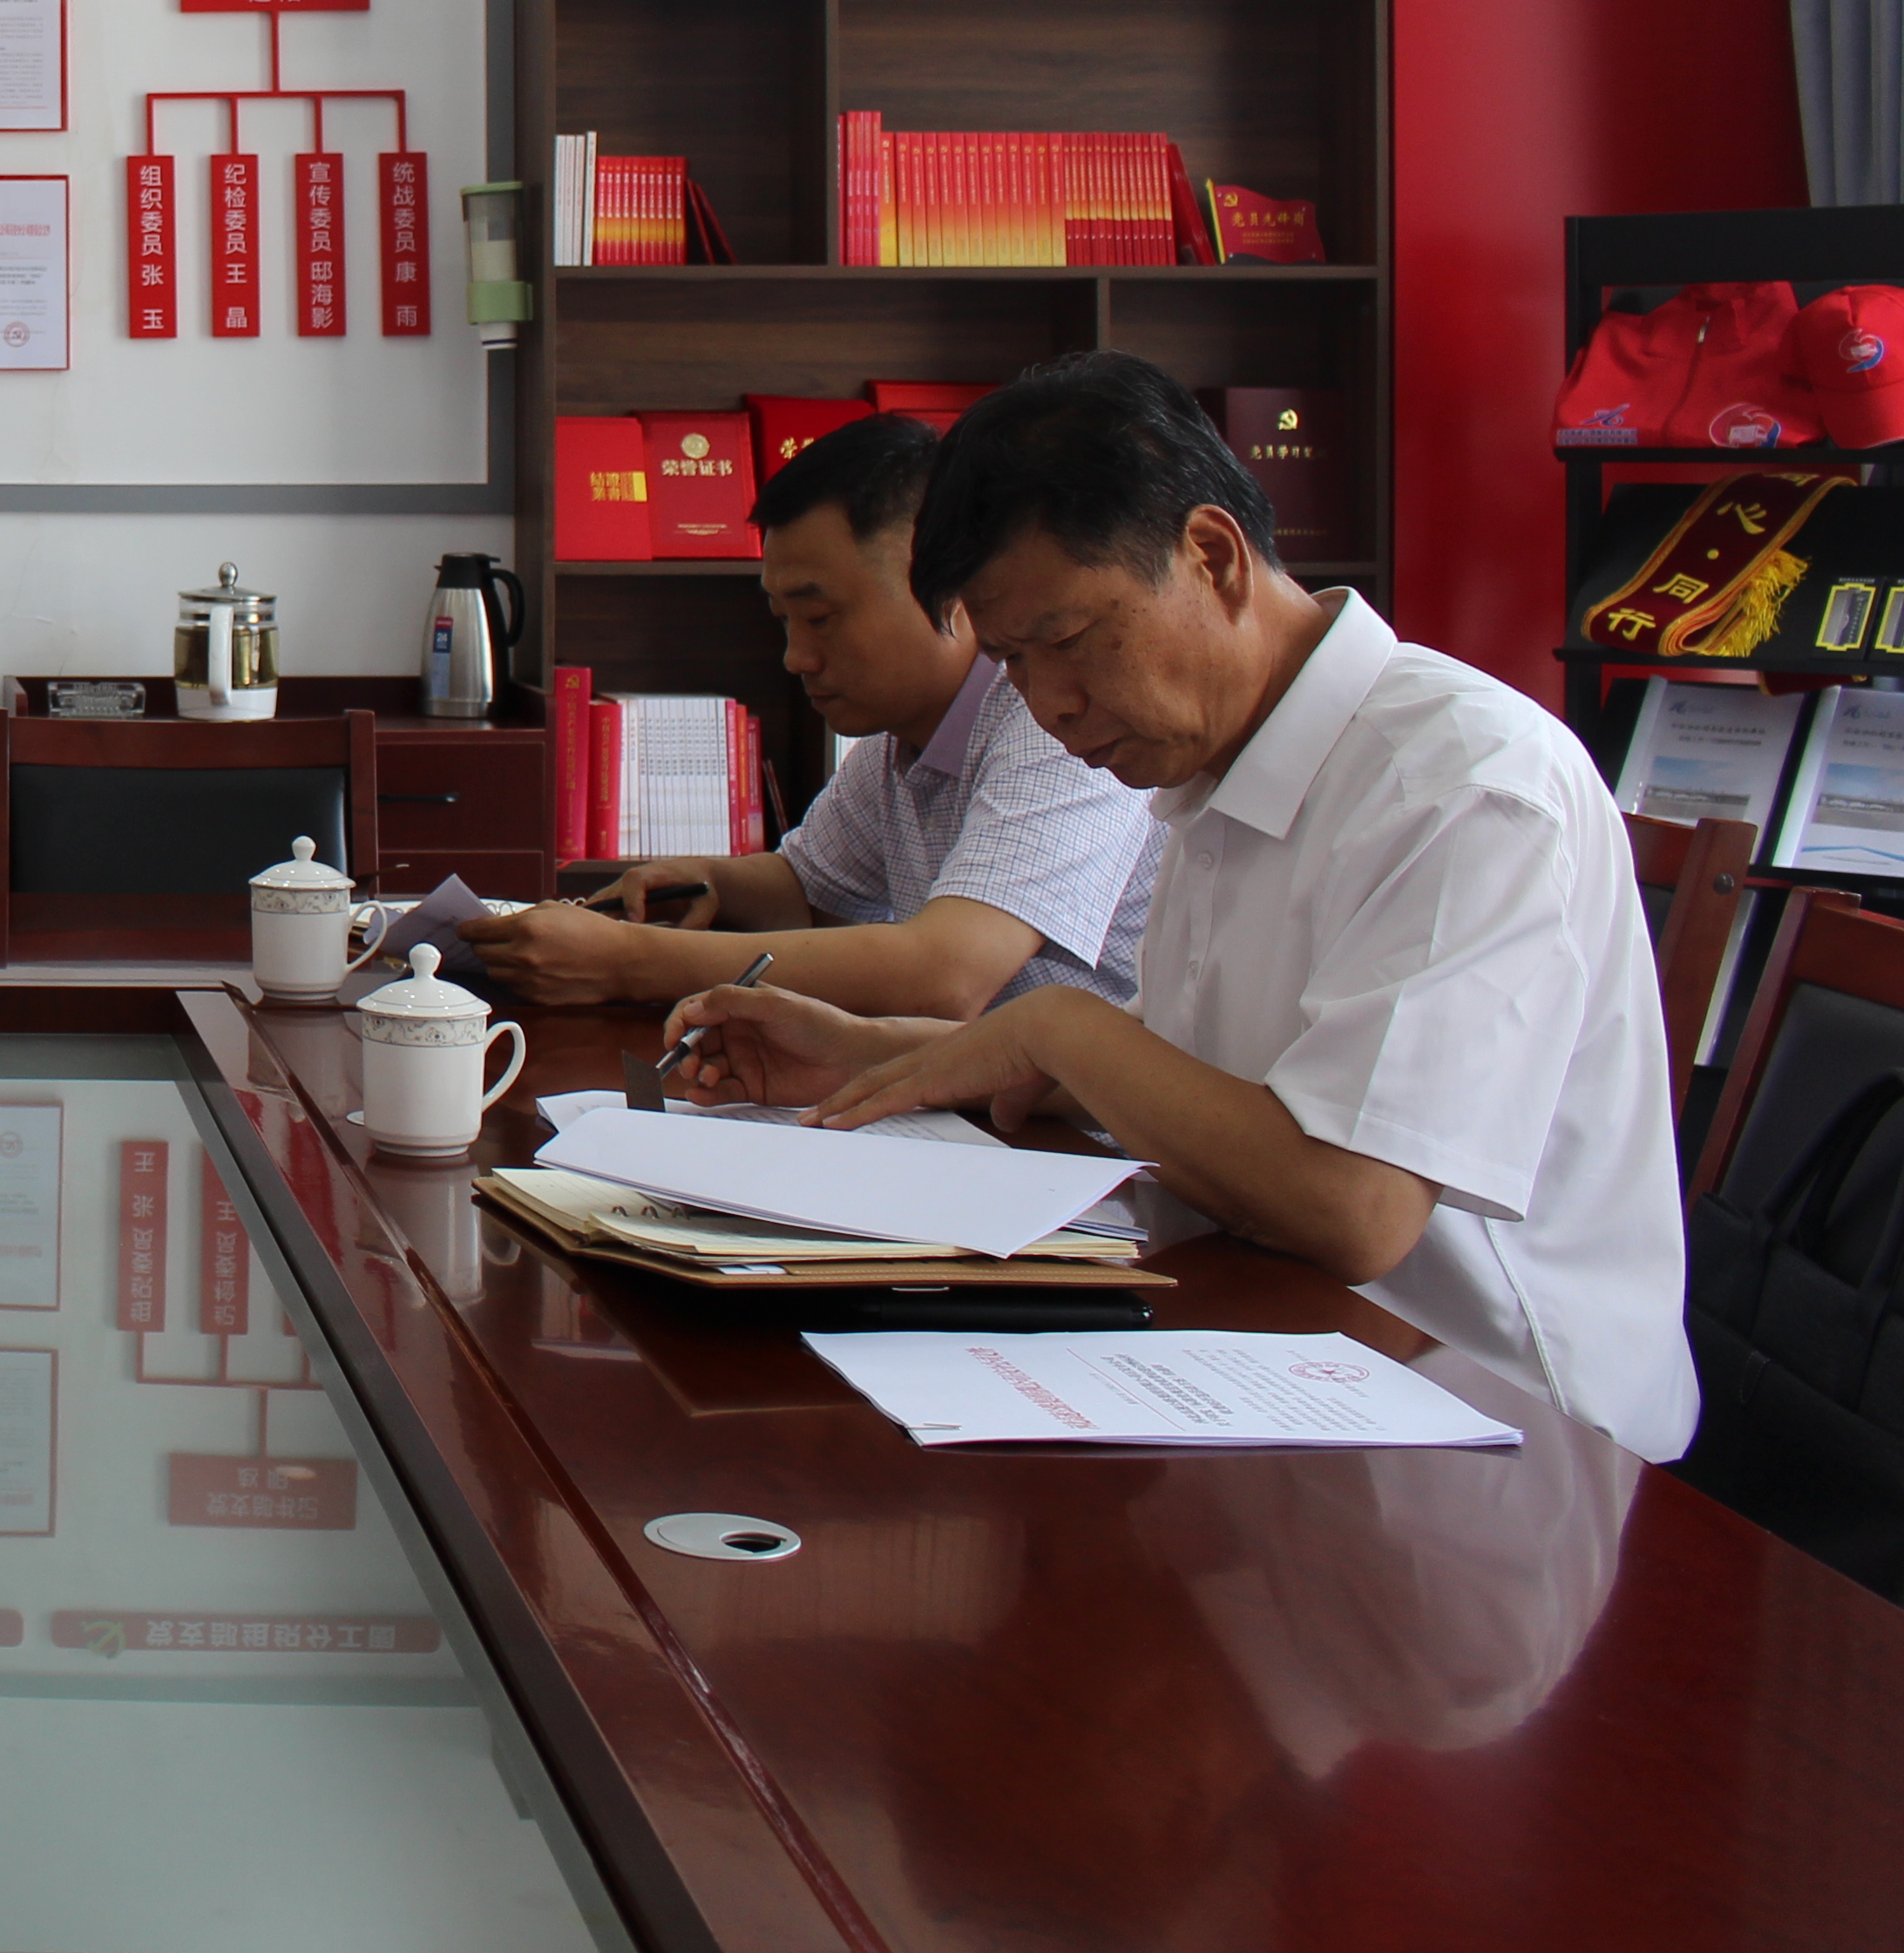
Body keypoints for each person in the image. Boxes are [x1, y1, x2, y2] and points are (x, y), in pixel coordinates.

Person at [665, 353, 1697, 1461]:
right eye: (1012, 664)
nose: (1051, 706)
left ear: (1213, 557)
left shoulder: (1462, 787)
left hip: (1501, 1424)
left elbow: (1355, 1209)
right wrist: (870, 1059)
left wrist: (1055, 1025)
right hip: (1275, 1343)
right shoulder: (1215, 755)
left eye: (1068, 641)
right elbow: (1171, 1087)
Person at [466, 412, 1159, 1016]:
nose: (796, 657)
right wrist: (707, 881)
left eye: (821, 617)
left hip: (1079, 1122)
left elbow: (948, 976)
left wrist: (628, 961)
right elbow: (810, 891)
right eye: (784, 621)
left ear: (949, 589)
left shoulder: (1050, 723)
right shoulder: (899, 740)